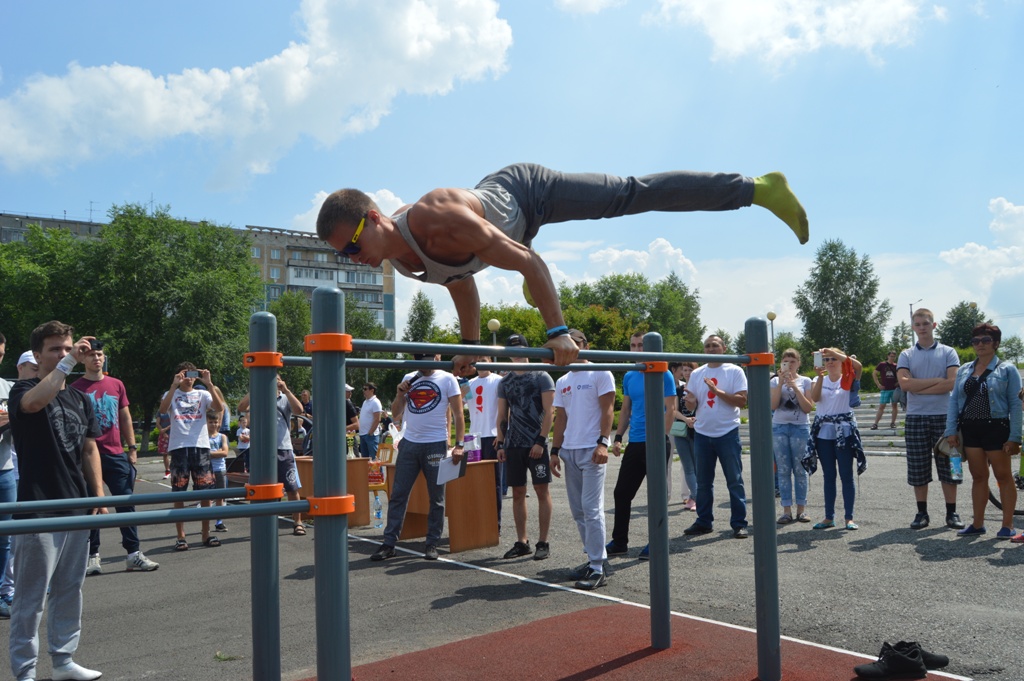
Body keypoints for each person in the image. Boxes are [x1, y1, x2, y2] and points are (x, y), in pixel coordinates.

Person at [316, 164, 809, 372]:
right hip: (507, 237)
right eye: (345, 256)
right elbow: (459, 283)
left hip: (529, 193)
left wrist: (558, 332)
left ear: (375, 217)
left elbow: (528, 259)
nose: (354, 259)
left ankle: (757, 188)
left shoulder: (433, 218)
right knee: (527, 275)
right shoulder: (398, 262)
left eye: (354, 245)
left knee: (628, 195)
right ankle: (542, 296)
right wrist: (466, 348)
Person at [8, 321, 106, 681]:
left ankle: (63, 662)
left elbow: (89, 447)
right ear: (37, 355)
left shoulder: (79, 397)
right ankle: (25, 673)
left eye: (67, 349)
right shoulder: (23, 388)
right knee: (30, 600)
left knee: (69, 590)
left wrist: (96, 492)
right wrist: (66, 368)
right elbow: (33, 405)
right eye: (55, 349)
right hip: (38, 507)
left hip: (75, 506)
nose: (64, 355)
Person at [71, 343, 159, 575]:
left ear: (104, 358)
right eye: (91, 355)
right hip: (88, 456)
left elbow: (125, 417)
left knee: (125, 504)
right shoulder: (75, 387)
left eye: (99, 354)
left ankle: (133, 554)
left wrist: (132, 448)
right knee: (91, 506)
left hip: (115, 453)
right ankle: (92, 556)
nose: (96, 358)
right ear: (83, 360)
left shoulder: (116, 384)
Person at [372, 359, 464, 561]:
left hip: (435, 443)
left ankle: (432, 543)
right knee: (398, 494)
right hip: (409, 444)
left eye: (429, 361)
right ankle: (389, 544)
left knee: (436, 497)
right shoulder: (409, 378)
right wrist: (399, 394)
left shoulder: (448, 378)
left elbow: (458, 413)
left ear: (437, 359)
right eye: (421, 362)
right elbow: (395, 414)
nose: (425, 367)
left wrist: (459, 445)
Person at [549, 330, 615, 590]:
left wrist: (603, 442)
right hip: (570, 450)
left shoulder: (600, 372)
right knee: (578, 511)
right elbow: (561, 418)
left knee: (591, 508)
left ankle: (598, 568)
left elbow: (607, 408)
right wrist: (555, 451)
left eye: (574, 344)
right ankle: (593, 559)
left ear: (584, 346)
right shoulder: (564, 379)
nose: (569, 348)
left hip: (591, 449)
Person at [944, 324, 1023, 538]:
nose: (980, 344)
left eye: (985, 340)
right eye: (976, 341)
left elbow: (1016, 405)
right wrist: (951, 431)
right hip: (970, 429)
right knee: (978, 477)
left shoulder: (1007, 370)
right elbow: (953, 402)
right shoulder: (964, 370)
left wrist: (1015, 437)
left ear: (996, 343)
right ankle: (977, 524)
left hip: (996, 428)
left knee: (1003, 476)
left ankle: (1007, 526)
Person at [607, 332, 676, 557]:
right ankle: (619, 542)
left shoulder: (663, 374)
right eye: (634, 345)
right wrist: (618, 437)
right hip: (635, 443)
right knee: (622, 493)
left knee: (656, 495)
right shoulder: (630, 375)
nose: (637, 349)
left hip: (655, 442)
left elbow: (670, 410)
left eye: (641, 345)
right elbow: (626, 409)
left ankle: (656, 542)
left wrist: (660, 438)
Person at [897, 308, 963, 530]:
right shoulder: (906, 354)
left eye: (925, 323)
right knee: (918, 468)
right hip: (915, 417)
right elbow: (905, 385)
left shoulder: (948, 352)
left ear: (934, 325)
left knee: (951, 466)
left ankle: (952, 512)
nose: (922, 328)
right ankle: (921, 512)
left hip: (946, 416)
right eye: (917, 324)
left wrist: (919, 386)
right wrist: (937, 381)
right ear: (913, 327)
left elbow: (952, 383)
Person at [496, 334, 555, 561]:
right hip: (514, 445)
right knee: (517, 492)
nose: (517, 353)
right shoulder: (505, 382)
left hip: (536, 444)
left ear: (528, 350)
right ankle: (522, 542)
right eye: (513, 349)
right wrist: (501, 443)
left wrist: (540, 440)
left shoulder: (542, 376)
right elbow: (502, 414)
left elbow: (550, 412)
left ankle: (543, 541)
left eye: (520, 348)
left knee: (542, 491)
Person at [683, 334, 749, 539]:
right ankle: (704, 521)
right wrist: (690, 401)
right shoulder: (697, 373)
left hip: (727, 432)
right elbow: (691, 404)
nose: (711, 349)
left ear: (724, 348)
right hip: (702, 433)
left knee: (734, 480)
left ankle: (739, 523)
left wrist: (716, 390)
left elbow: (741, 401)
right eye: (707, 346)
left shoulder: (735, 370)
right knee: (703, 482)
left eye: (715, 345)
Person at [159, 362, 226, 551]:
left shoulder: (203, 394)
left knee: (205, 492)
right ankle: (181, 536)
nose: (188, 378)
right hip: (179, 447)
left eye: (191, 374)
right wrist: (174, 385)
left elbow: (219, 408)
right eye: (184, 374)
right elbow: (163, 410)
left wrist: (209, 384)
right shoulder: (171, 393)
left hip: (201, 447)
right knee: (179, 491)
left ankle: (206, 533)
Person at [237, 375, 307, 535]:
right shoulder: (258, 397)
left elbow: (299, 410)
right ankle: (264, 522)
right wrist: (255, 387)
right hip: (262, 451)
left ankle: (298, 522)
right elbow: (241, 406)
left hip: (283, 448)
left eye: (276, 378)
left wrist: (286, 389)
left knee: (292, 487)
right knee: (262, 488)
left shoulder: (284, 398)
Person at [805, 348, 865, 530]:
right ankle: (828, 517)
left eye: (834, 359)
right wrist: (821, 377)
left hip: (844, 432)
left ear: (841, 361)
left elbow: (858, 366)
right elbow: (814, 399)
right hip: (824, 432)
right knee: (829, 476)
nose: (830, 362)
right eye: (827, 359)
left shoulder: (849, 376)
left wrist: (836, 352)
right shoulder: (817, 379)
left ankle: (849, 517)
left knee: (846, 475)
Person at [0, 351, 39, 621]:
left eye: (0, 353)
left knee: (7, 537)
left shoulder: (8, 388)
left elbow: (23, 420)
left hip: (5, 470)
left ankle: (4, 591)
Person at [770, 349, 814, 525]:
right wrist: (780, 384)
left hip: (800, 427)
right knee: (783, 469)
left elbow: (808, 407)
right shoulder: (774, 381)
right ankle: (786, 510)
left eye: (792, 361)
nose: (789, 364)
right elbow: (773, 405)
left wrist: (795, 387)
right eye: (786, 361)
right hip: (779, 427)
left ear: (799, 363)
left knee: (800, 470)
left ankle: (801, 510)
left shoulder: (806, 381)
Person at [467, 358, 503, 524]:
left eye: (484, 359)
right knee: (474, 481)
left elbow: (506, 409)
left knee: (493, 481)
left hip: (492, 436)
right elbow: (459, 406)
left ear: (490, 361)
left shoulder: (498, 381)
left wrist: (501, 434)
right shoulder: (468, 384)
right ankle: (477, 520)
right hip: (473, 438)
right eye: (477, 361)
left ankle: (495, 522)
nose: (480, 363)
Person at [669, 361, 698, 511]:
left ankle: (696, 497)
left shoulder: (700, 388)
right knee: (688, 467)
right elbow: (674, 410)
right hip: (681, 431)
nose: (686, 373)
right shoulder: (679, 389)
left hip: (697, 431)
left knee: (697, 466)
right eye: (684, 370)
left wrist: (695, 419)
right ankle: (695, 497)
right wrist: (686, 419)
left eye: (690, 370)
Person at [206, 412, 230, 532]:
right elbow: (203, 454)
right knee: (208, 498)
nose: (213, 424)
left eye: (215, 422)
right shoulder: (203, 436)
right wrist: (217, 452)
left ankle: (219, 522)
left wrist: (211, 453)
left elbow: (225, 453)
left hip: (220, 469)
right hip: (207, 470)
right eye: (210, 422)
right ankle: (206, 523)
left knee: (220, 497)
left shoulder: (222, 437)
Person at [871, 351, 901, 430]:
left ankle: (893, 422)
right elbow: (874, 373)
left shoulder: (896, 366)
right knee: (882, 406)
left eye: (894, 356)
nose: (892, 358)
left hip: (894, 389)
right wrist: (878, 384)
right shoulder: (882, 364)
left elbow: (901, 375)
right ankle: (875, 423)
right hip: (885, 388)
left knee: (894, 406)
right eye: (891, 356)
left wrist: (898, 382)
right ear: (888, 356)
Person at [358, 383, 384, 459]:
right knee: (364, 460)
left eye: (365, 389)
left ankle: (379, 471)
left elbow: (377, 419)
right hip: (363, 434)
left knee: (374, 458)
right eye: (363, 389)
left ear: (372, 390)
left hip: (371, 435)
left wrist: (370, 433)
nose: (363, 391)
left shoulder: (376, 402)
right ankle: (366, 471)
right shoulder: (365, 402)